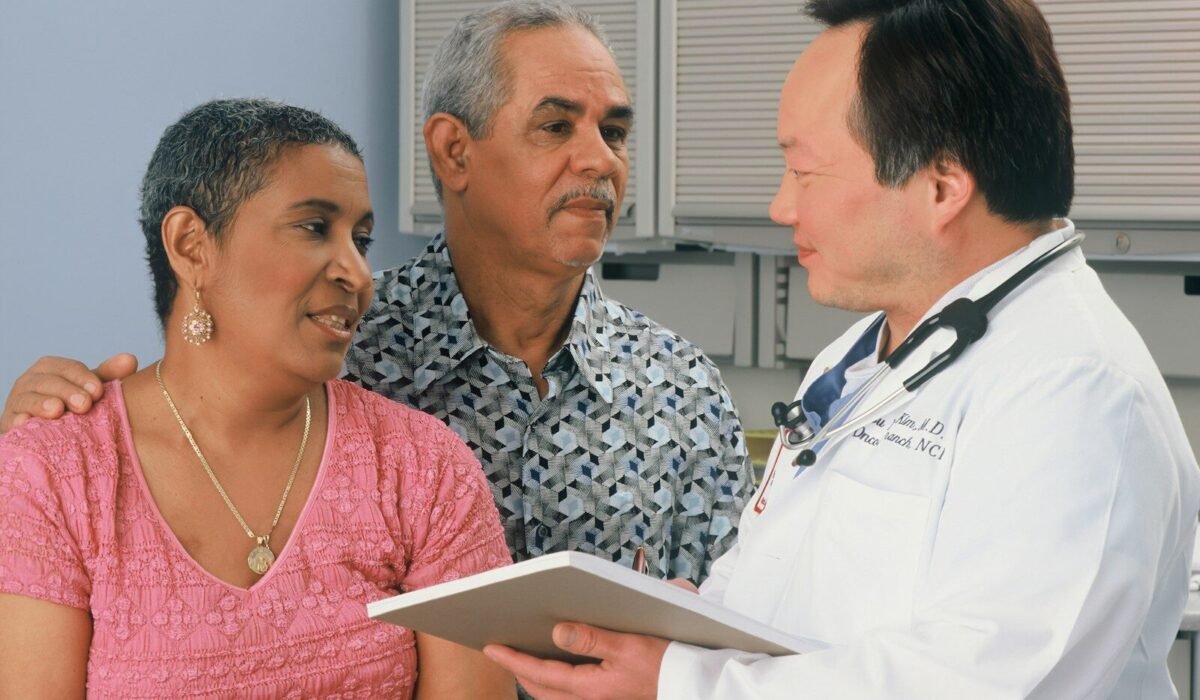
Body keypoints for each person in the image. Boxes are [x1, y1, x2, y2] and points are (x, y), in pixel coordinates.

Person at [481, 1, 1200, 698]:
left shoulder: (1075, 392)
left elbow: (989, 682)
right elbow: (783, 580)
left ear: (942, 186)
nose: (781, 206)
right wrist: (690, 628)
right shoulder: (859, 359)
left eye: (805, 173)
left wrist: (679, 682)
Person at [0, 0, 754, 586]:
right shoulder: (324, 347)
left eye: (614, 132)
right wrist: (42, 434)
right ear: (453, 152)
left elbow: (744, 636)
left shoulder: (685, 393)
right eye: (556, 126)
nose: (600, 160)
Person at [0, 98, 516, 698]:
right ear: (191, 245)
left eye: (362, 240)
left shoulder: (422, 467)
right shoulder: (54, 473)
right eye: (314, 228)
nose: (357, 274)